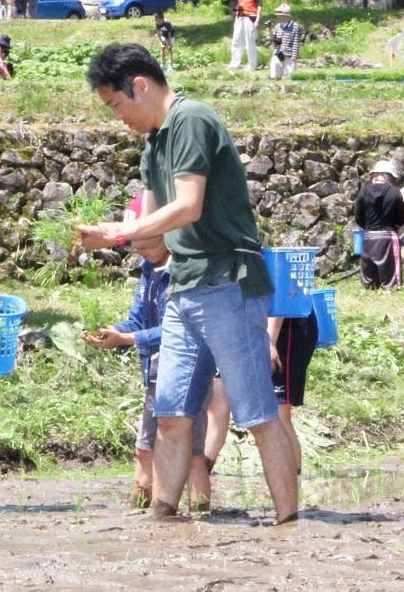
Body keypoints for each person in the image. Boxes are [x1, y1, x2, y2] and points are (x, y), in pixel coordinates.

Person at [74, 43, 299, 524]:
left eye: (116, 105)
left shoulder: (193, 120)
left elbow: (189, 206)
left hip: (227, 282)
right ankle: (162, 515)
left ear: (141, 86)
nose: (118, 117)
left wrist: (116, 233)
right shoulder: (154, 143)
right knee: (172, 412)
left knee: (257, 413)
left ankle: (288, 522)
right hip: (185, 287)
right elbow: (154, 224)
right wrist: (108, 234)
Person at [85, 202, 214, 512]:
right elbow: (139, 320)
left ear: (169, 235)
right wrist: (114, 333)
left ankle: (200, 517)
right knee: (144, 448)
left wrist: (129, 339)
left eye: (148, 242)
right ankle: (142, 511)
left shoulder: (186, 271)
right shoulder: (148, 270)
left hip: (187, 371)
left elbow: (179, 329)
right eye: (136, 244)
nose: (141, 250)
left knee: (196, 454)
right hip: (154, 373)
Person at [268, 306, 321, 478]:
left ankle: (292, 479)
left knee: (280, 412)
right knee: (276, 411)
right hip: (281, 330)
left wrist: (270, 342)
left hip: (289, 331)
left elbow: (280, 297)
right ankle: (289, 477)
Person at [354, 158, 404, 288]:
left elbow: (358, 217)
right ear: (389, 176)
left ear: (374, 175)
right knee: (390, 273)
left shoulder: (363, 191)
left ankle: (369, 287)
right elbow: (401, 219)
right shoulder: (395, 192)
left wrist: (368, 227)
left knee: (368, 270)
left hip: (368, 236)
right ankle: (389, 289)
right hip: (388, 236)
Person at [229, 0, 261, 72]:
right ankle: (235, 63)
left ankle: (252, 65)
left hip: (250, 18)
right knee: (236, 41)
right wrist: (235, 19)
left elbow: (259, 7)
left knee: (250, 42)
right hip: (240, 18)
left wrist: (257, 20)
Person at [268, 2, 305, 82]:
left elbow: (296, 42)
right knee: (275, 75)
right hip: (278, 54)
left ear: (284, 15)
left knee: (291, 77)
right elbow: (273, 40)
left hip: (289, 55)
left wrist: (294, 56)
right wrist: (270, 29)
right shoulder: (278, 26)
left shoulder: (295, 27)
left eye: (279, 14)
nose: (277, 15)